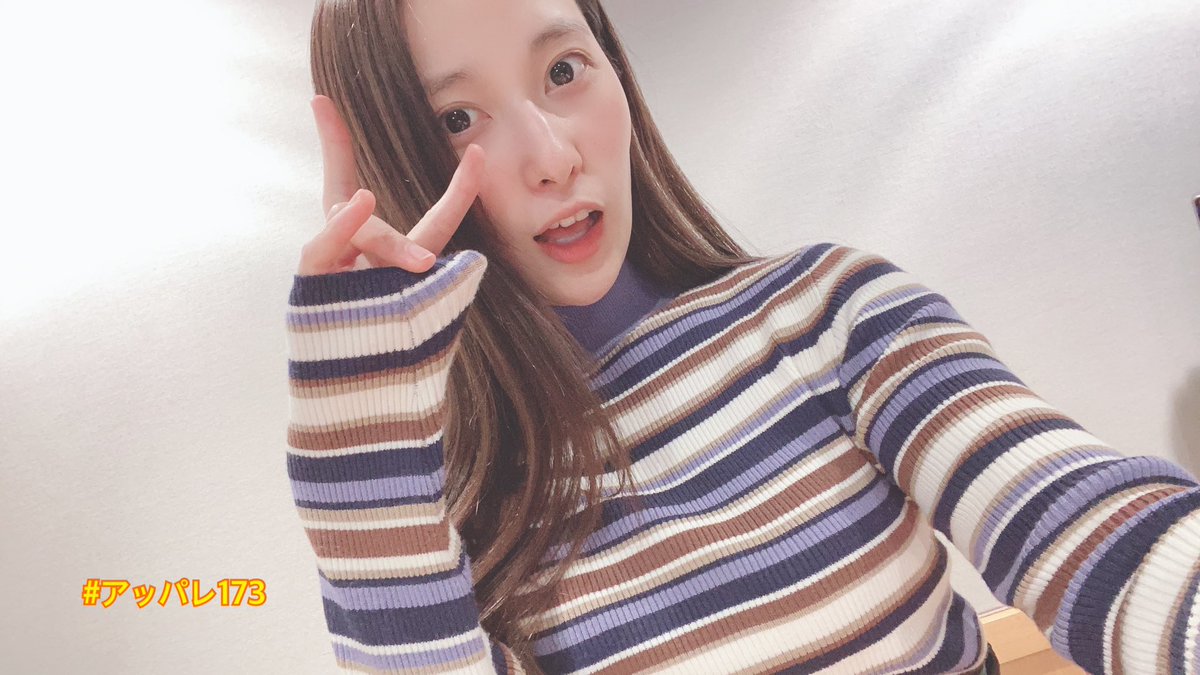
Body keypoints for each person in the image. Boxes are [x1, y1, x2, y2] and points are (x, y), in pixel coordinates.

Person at [284, 1, 1199, 673]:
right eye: (456, 120)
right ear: (395, 160)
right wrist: (364, 446)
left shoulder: (828, 313)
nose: (552, 157)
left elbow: (1097, 539)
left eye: (563, 70)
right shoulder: (444, 503)